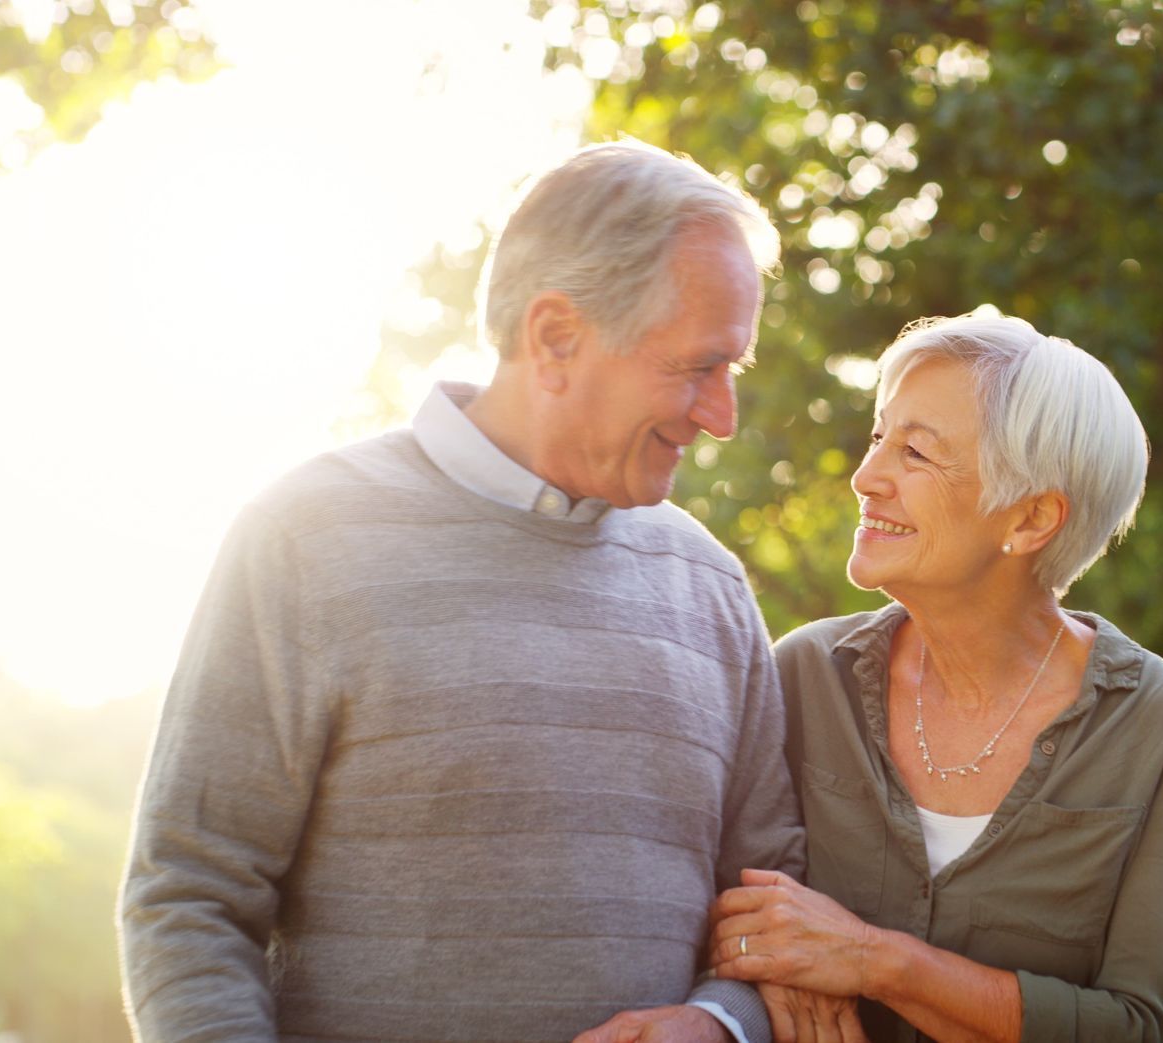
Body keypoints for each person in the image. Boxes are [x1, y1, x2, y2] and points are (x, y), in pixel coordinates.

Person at [119, 142, 805, 1043]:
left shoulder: (709, 585)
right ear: (556, 337)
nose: (721, 416)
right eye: (695, 367)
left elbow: (776, 917)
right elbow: (190, 896)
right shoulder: (305, 538)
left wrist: (721, 1025)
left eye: (733, 371)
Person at [707, 314, 1163, 1041]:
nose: (866, 477)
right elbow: (724, 912)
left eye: (915, 452)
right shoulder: (803, 673)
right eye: (878, 437)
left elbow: (1137, 1028)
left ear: (1032, 518)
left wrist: (872, 960)